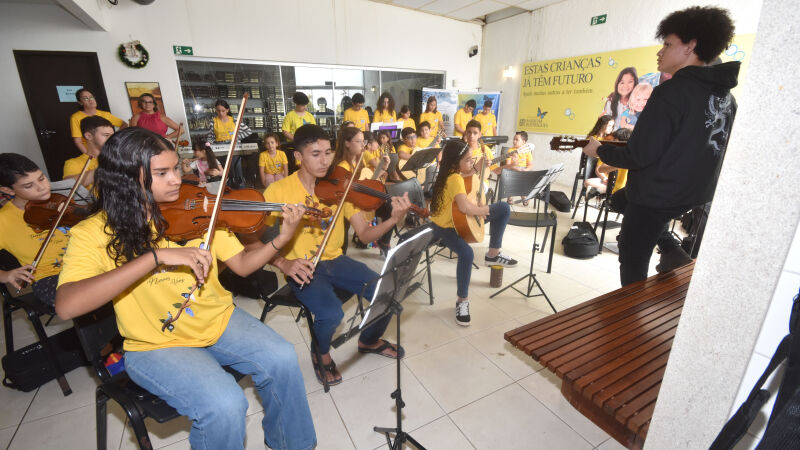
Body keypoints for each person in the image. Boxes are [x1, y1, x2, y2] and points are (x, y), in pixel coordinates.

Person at [54, 127, 316, 450]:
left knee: (283, 358)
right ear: (126, 178)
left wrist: (281, 238)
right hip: (154, 344)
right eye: (161, 173)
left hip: (218, 320)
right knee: (225, 405)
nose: (177, 179)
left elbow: (244, 266)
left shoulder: (198, 208)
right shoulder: (94, 232)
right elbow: (66, 305)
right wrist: (155, 257)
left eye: (176, 168)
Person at [583, 5, 739, 285]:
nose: (660, 51)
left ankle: (630, 318)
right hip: (695, 191)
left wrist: (599, 151)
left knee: (632, 254)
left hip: (658, 195)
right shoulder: (727, 98)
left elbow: (639, 155)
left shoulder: (671, 92)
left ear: (691, 46)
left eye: (668, 44)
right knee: (620, 199)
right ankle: (670, 249)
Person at [263, 124, 411, 386]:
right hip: (302, 267)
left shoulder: (339, 187)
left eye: (329, 152)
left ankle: (368, 340)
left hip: (336, 261)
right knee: (332, 314)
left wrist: (394, 219)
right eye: (315, 154)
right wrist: (283, 263)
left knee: (389, 289)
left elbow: (364, 234)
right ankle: (320, 351)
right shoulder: (277, 192)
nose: (325, 161)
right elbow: (260, 243)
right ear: (298, 158)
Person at [429, 140, 518, 326]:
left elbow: (470, 173)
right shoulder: (455, 179)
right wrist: (483, 211)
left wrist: (478, 166)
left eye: (472, 159)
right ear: (456, 162)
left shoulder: (451, 172)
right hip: (445, 227)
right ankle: (462, 301)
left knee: (502, 208)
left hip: (458, 220)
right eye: (468, 160)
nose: (471, 162)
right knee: (467, 253)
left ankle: (493, 254)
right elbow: (464, 207)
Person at [0, 154, 70, 307]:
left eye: (41, 178)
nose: (42, 188)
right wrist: (5, 275)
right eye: (28, 186)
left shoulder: (60, 201)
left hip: (87, 262)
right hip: (50, 278)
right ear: (8, 190)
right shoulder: (4, 221)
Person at [69, 88, 126, 154]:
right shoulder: (76, 117)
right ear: (80, 103)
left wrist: (114, 137)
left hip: (108, 149)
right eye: (85, 98)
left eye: (91, 97)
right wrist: (89, 155)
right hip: (91, 151)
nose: (90, 100)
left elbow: (124, 124)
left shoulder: (105, 114)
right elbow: (78, 141)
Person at [63, 116, 114, 188]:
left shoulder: (118, 157)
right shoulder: (73, 163)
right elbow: (67, 187)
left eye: (112, 135)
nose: (111, 139)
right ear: (89, 136)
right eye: (106, 135)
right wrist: (101, 170)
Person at [500, 131, 534, 205]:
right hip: (513, 169)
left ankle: (523, 195)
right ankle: (510, 196)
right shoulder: (510, 151)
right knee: (512, 177)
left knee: (523, 178)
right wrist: (516, 169)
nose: (514, 141)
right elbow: (508, 165)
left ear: (524, 142)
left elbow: (530, 165)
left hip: (523, 170)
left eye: (517, 140)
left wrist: (525, 170)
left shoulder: (528, 151)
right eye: (514, 139)